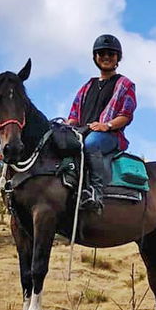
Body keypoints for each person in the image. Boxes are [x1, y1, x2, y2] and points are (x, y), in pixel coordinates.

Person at [59, 33, 137, 212]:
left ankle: (96, 192)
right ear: (95, 57)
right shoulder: (86, 87)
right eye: (101, 53)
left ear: (118, 57)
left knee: (91, 143)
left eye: (111, 53)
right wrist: (66, 126)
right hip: (83, 132)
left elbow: (126, 115)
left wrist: (107, 125)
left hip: (110, 135)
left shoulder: (125, 84)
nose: (106, 57)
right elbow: (74, 116)